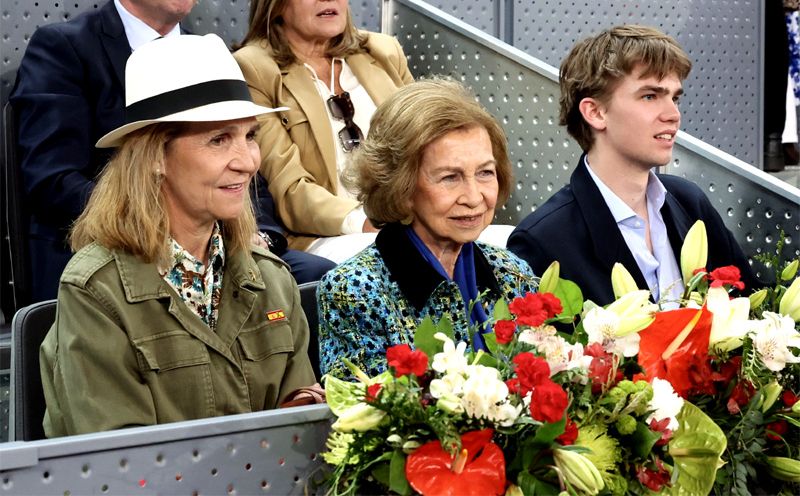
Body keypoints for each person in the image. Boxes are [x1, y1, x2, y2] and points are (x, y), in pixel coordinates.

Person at [39, 34, 317, 437]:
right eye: (219, 139)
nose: (248, 162)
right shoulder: (96, 293)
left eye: (250, 136)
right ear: (154, 156)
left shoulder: (273, 280)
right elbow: (117, 467)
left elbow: (303, 439)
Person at [9, 0, 332, 304]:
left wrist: (260, 235)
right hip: (116, 245)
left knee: (317, 277)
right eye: (217, 139)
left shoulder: (208, 50)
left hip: (222, 243)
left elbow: (247, 173)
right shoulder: (66, 47)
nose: (244, 157)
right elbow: (51, 178)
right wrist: (170, 232)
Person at [508, 25, 759, 308]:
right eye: (650, 96)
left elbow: (751, 307)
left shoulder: (690, 202)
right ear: (596, 112)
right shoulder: (543, 241)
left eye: (674, 97)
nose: (673, 115)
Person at [317, 79, 536, 378]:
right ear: (401, 188)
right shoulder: (354, 290)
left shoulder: (512, 272)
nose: (474, 197)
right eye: (450, 177)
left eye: (485, 173)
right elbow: (374, 414)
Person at [234, 0, 414, 262]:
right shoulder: (255, 68)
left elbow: (429, 146)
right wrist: (365, 221)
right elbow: (288, 189)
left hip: (406, 219)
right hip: (326, 234)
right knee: (404, 257)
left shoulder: (382, 51)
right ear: (277, 5)